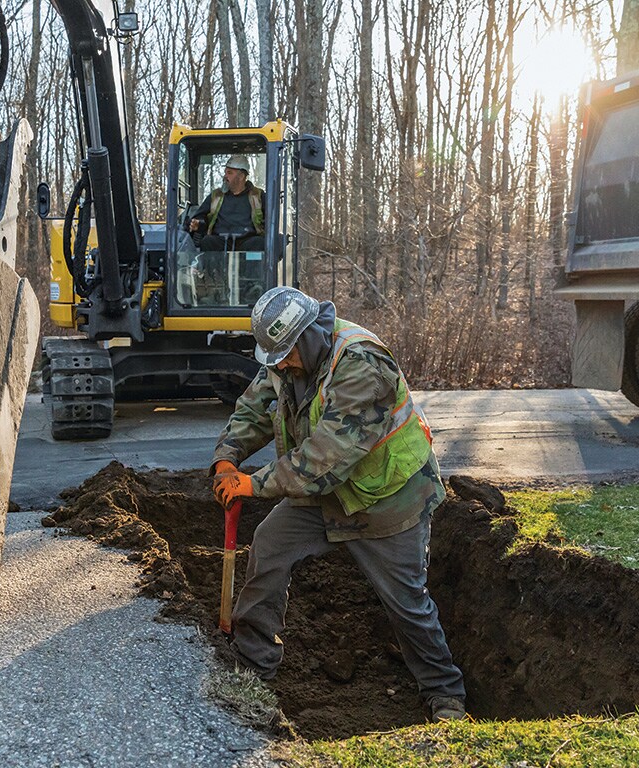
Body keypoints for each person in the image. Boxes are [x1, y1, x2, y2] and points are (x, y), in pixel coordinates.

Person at [209, 286, 467, 722]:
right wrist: (226, 457)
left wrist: (252, 485)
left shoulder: (362, 364)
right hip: (325, 493)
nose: (283, 366)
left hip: (389, 498)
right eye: (276, 360)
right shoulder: (288, 357)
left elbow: (325, 457)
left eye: (287, 356)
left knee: (405, 601)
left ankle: (446, 695)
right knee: (269, 545)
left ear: (309, 336)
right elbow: (256, 404)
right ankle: (253, 668)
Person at [188, 154, 266, 251]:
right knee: (208, 241)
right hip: (221, 242)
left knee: (259, 242)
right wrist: (198, 224)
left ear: (241, 176)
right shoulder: (216, 196)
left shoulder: (258, 196)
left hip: (247, 242)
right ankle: (213, 267)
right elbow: (201, 218)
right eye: (225, 172)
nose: (225, 176)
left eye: (229, 173)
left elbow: (270, 220)